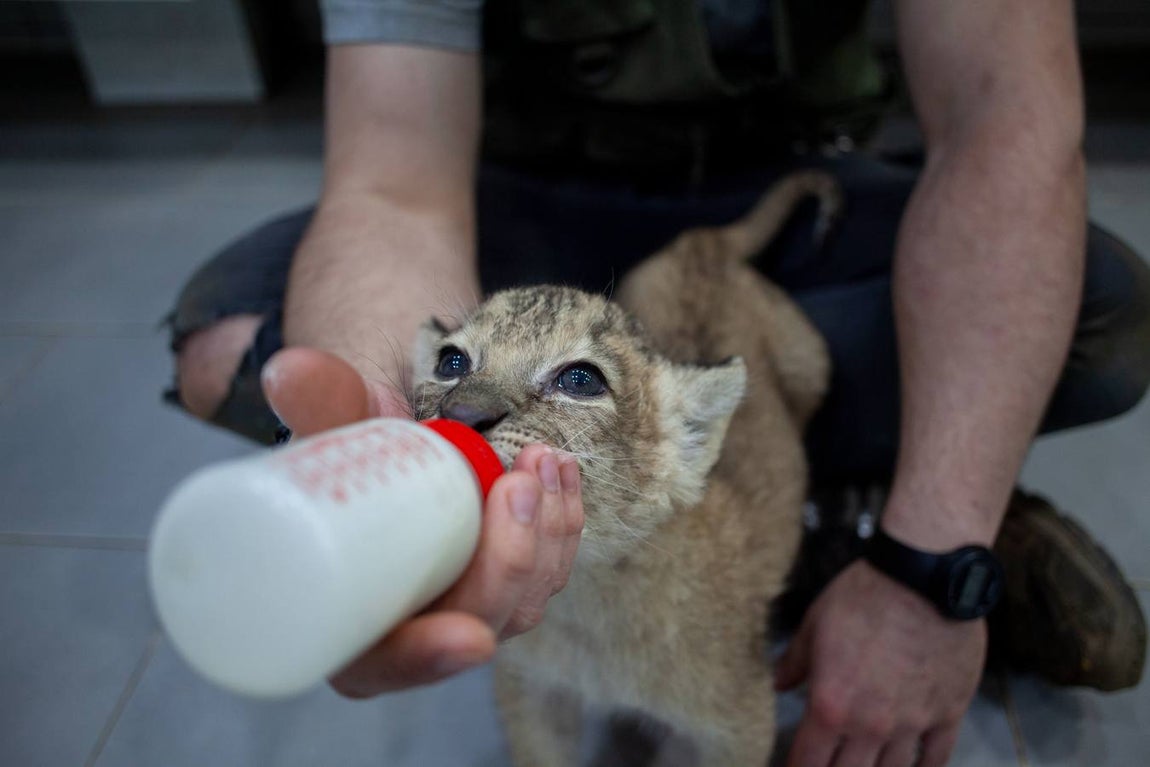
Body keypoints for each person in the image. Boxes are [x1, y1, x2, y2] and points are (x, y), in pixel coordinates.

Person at [166, 1, 1150, 764]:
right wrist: (387, 438)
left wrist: (934, 563)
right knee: (228, 346)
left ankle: (908, 517)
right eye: (455, 375)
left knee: (1095, 309)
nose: (470, 406)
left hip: (783, 174)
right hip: (527, 194)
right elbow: (390, 181)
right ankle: (852, 510)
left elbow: (1005, 122)